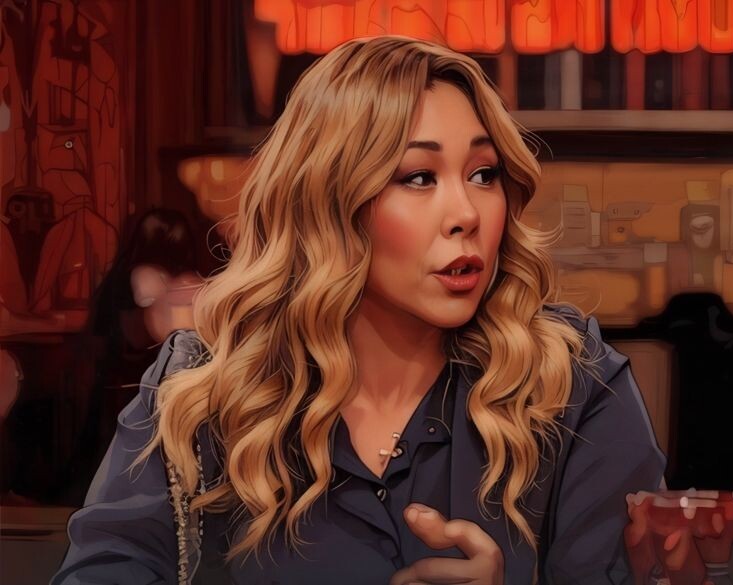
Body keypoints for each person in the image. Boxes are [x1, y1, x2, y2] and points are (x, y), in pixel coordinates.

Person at [52, 36, 665, 585]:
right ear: (329, 202)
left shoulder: (574, 383)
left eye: (484, 173)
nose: (467, 213)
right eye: (418, 178)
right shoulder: (204, 390)